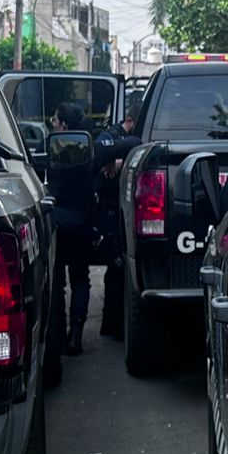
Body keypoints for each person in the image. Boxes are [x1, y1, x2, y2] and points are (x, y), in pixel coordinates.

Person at [48, 102, 93, 355]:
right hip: (82, 222)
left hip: (59, 220)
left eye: (54, 120)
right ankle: (75, 335)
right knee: (80, 278)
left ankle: (59, 335)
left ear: (63, 125)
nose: (52, 124)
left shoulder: (55, 149)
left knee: (57, 281)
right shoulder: (86, 150)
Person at [95, 102, 141, 339]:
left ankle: (114, 322)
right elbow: (100, 153)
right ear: (130, 121)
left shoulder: (131, 139)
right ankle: (111, 324)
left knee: (120, 269)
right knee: (115, 267)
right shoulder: (111, 135)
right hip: (110, 210)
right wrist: (112, 159)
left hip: (127, 210)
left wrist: (118, 161)